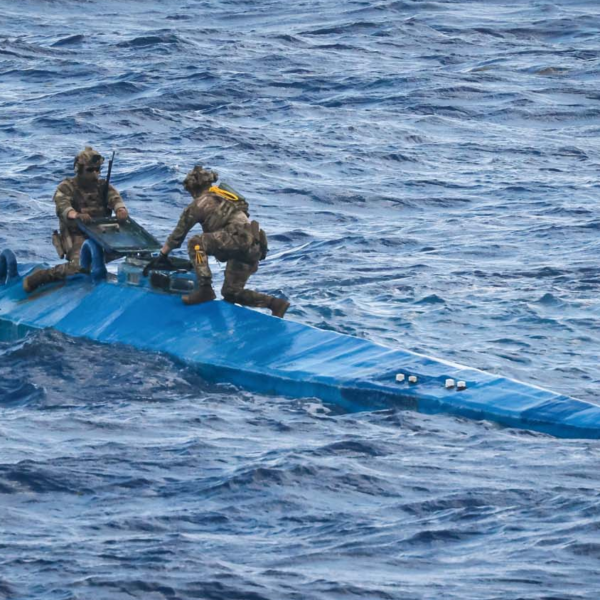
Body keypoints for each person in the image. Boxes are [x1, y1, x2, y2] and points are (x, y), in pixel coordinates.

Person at [154, 165, 290, 318]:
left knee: (196, 243)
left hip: (236, 240)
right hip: (253, 245)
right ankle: (275, 304)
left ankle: (205, 289)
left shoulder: (198, 204)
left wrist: (162, 254)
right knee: (231, 293)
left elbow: (177, 236)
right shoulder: (226, 196)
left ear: (192, 189)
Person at [23, 147, 129, 293]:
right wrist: (76, 215)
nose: (95, 174)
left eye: (98, 170)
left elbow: (114, 198)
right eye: (90, 170)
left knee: (133, 250)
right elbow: (63, 207)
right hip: (76, 234)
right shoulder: (67, 187)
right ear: (79, 170)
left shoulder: (102, 186)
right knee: (79, 266)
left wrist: (120, 209)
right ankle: (42, 277)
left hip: (101, 233)